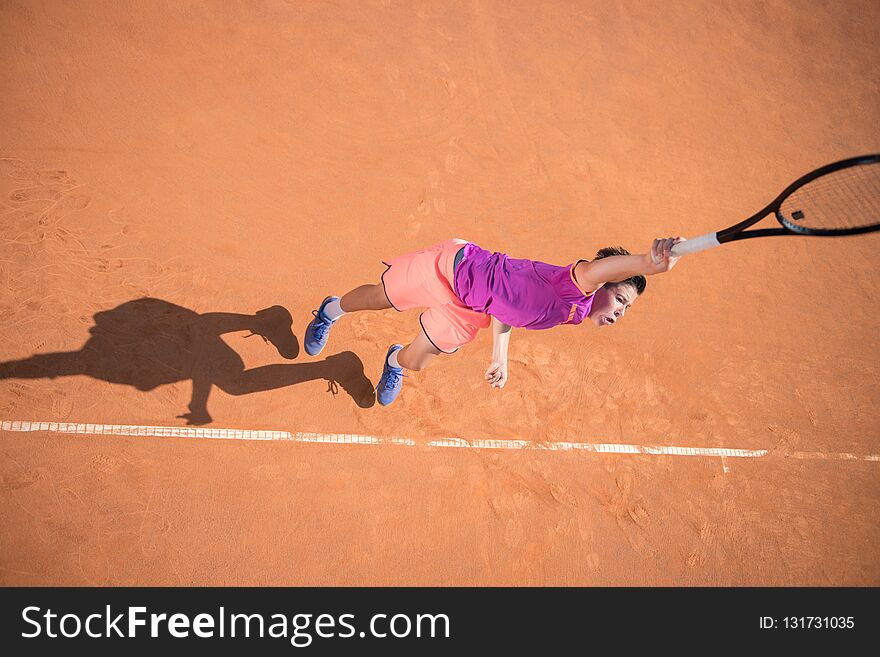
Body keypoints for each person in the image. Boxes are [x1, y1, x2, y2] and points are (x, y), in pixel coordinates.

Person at [304, 236, 684, 406]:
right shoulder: (578, 284)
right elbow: (601, 270)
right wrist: (647, 264)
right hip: (450, 270)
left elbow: (509, 309)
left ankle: (391, 360)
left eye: (626, 308)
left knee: (415, 361)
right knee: (376, 299)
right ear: (602, 285)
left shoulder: (575, 312)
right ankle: (330, 310)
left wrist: (499, 355)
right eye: (620, 299)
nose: (620, 312)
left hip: (470, 308)